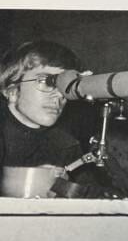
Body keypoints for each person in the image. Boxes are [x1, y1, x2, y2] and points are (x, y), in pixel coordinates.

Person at [0, 41, 83, 169]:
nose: (60, 95)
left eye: (64, 86)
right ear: (12, 91)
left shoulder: (65, 145)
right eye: (47, 81)